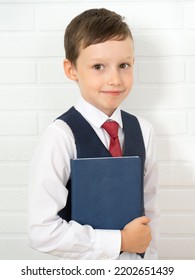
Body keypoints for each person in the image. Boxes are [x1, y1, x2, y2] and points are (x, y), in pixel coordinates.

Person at [28, 8, 159, 260]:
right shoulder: (61, 135)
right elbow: (41, 231)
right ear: (71, 70)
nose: (115, 79)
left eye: (124, 65)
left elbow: (151, 210)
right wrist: (120, 240)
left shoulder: (144, 130)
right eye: (98, 66)